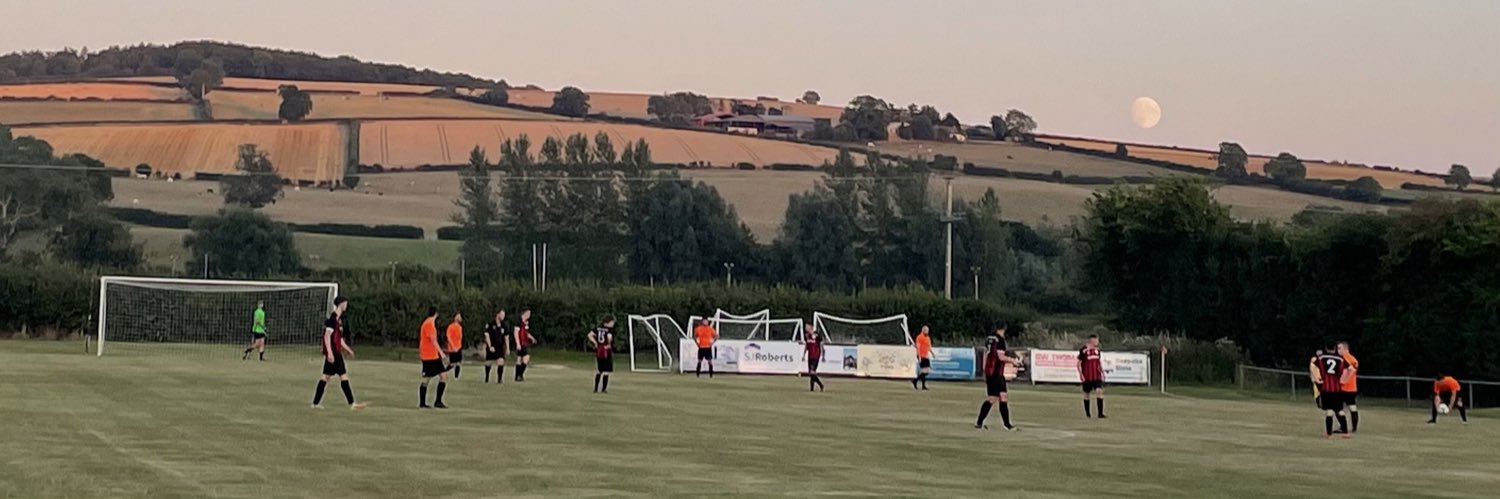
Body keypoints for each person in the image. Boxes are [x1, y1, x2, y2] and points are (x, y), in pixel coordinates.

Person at [311, 296, 365, 410]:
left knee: (326, 377)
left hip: (336, 351)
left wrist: (348, 349)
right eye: (345, 303)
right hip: (334, 353)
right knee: (343, 376)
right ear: (341, 304)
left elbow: (339, 339)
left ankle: (315, 404)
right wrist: (329, 353)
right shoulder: (332, 319)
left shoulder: (338, 320)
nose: (346, 305)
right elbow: (327, 336)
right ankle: (352, 403)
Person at [976, 321, 1019, 431]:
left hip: (993, 372)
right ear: (1003, 329)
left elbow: (986, 354)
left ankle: (1007, 425)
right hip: (995, 372)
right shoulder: (1000, 340)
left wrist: (985, 368)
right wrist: (1013, 361)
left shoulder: (989, 338)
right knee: (992, 398)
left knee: (1003, 397)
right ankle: (979, 422)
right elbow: (1000, 357)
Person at [1314, 346, 1351, 438]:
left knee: (1329, 411)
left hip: (1326, 388)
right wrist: (1344, 380)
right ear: (1335, 349)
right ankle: (1345, 432)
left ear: (1326, 348)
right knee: (1340, 410)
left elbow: (1313, 365)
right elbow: (1350, 369)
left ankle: (1328, 434)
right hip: (1337, 388)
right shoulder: (1340, 359)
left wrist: (1316, 379)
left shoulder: (1322, 358)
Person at [418, 306, 450, 409]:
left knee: (443, 376)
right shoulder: (429, 324)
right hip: (429, 356)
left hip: (433, 355)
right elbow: (433, 340)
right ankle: (422, 403)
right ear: (436, 314)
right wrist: (442, 353)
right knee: (426, 379)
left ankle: (438, 401)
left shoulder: (429, 323)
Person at [1078, 334, 1106, 418]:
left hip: (1096, 376)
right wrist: (1081, 374)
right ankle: (1088, 414)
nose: (1098, 342)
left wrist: (1102, 373)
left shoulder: (1097, 350)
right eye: (1096, 340)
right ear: (1092, 340)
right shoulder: (1084, 350)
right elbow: (1078, 363)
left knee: (1099, 391)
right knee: (1087, 394)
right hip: (1087, 376)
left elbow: (1098, 362)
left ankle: (1100, 414)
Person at [588, 316, 616, 393]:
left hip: (599, 350)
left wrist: (595, 343)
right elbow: (609, 338)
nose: (613, 324)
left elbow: (589, 335)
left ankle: (596, 388)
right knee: (606, 370)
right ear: (607, 323)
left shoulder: (597, 329)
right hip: (606, 350)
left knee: (599, 370)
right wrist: (609, 344)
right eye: (612, 322)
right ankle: (604, 389)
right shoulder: (609, 330)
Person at [1337, 342, 1360, 433]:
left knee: (1349, 407)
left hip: (1348, 387)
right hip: (1345, 388)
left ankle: (1348, 427)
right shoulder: (1341, 359)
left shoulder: (1350, 359)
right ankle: (1347, 427)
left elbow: (1352, 371)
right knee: (1346, 407)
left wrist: (1343, 381)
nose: (1338, 350)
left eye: (1340, 348)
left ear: (1346, 349)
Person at [483, 310, 508, 384]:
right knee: (488, 362)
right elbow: (487, 335)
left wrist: (507, 348)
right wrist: (490, 346)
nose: (503, 316)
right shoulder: (490, 324)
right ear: (497, 315)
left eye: (504, 315)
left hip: (500, 347)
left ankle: (499, 379)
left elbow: (506, 337)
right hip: (492, 346)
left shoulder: (504, 325)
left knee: (501, 361)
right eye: (502, 315)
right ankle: (487, 377)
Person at [802, 323, 825, 392]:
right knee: (811, 372)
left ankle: (819, 385)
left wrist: (823, 355)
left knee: (812, 371)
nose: (806, 328)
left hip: (816, 355)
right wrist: (803, 355)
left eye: (807, 327)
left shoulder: (817, 335)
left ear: (811, 327)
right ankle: (815, 388)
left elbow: (821, 345)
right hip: (810, 356)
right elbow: (807, 346)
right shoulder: (807, 336)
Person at [512, 309, 534, 382]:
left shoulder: (526, 323)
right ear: (524, 313)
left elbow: (526, 332)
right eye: (528, 313)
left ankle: (517, 376)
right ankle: (519, 375)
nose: (529, 315)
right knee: (526, 357)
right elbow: (516, 333)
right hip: (521, 343)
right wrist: (518, 343)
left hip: (525, 343)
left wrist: (532, 338)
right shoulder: (519, 322)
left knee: (520, 359)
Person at [445, 312, 465, 380]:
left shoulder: (460, 327)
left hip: (458, 347)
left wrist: (459, 346)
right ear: (455, 317)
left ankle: (456, 377)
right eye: (459, 316)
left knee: (458, 363)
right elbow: (449, 337)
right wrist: (453, 346)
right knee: (452, 364)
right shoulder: (451, 326)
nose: (460, 317)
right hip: (452, 348)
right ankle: (444, 372)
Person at [912, 326, 932, 390]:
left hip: (926, 355)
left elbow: (928, 347)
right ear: (923, 330)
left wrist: (932, 353)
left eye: (928, 330)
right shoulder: (919, 337)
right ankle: (921, 384)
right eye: (926, 330)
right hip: (921, 355)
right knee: (924, 371)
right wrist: (919, 356)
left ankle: (916, 381)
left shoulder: (928, 338)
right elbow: (918, 347)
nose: (927, 332)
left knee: (926, 371)